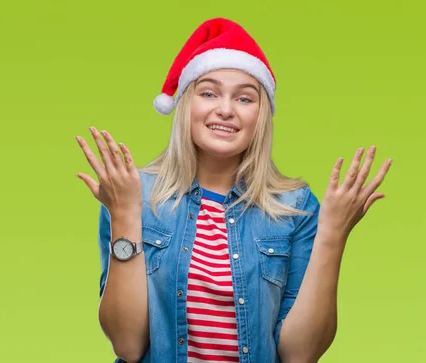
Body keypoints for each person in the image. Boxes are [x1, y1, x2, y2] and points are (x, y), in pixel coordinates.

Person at [75, 18, 391, 363]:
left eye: (244, 98)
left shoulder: (295, 207)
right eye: (208, 93)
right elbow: (127, 345)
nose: (225, 109)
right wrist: (122, 215)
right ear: (185, 105)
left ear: (261, 116)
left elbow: (300, 354)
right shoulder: (134, 194)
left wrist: (333, 233)